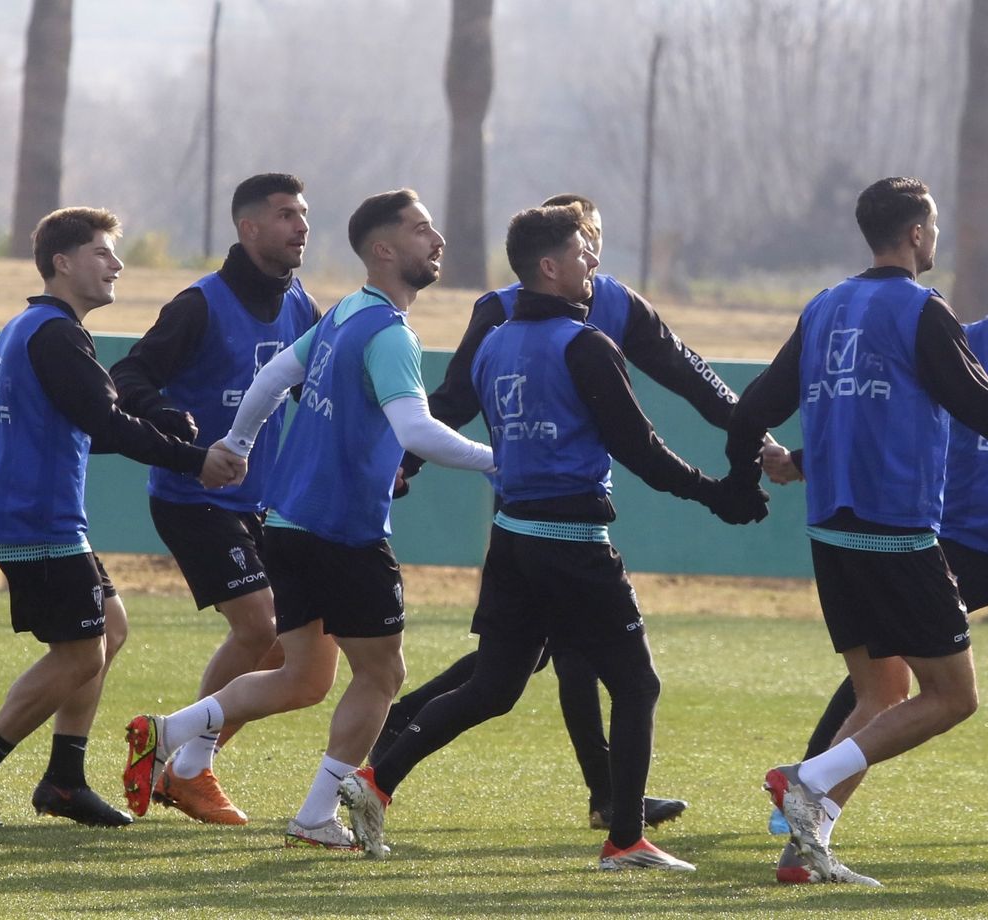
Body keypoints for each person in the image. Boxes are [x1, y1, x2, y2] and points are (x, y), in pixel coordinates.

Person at [725, 177, 988, 886]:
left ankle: (805, 848)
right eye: (935, 227)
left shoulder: (824, 306)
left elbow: (751, 408)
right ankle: (808, 778)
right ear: (917, 234)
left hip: (830, 534)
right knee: (954, 696)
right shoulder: (922, 310)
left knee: (878, 694)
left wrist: (743, 484)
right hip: (899, 535)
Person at [337, 203, 768, 870]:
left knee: (495, 686)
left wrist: (410, 463)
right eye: (582, 252)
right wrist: (719, 495)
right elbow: (642, 449)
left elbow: (456, 405)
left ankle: (376, 780)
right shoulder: (586, 345)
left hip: (512, 536)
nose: (594, 262)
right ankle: (624, 838)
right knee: (636, 685)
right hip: (573, 540)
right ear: (549, 266)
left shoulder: (496, 339)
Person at [121, 189, 496, 851]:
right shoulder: (388, 332)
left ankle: (171, 732)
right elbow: (416, 427)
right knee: (382, 676)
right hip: (345, 535)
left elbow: (270, 378)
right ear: (383, 250)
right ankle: (315, 815)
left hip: (288, 527)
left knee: (303, 679)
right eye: (421, 231)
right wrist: (501, 462)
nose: (437, 242)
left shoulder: (346, 312)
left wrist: (237, 443)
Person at [0, 207, 244, 829]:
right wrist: (191, 460)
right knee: (79, 654)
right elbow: (104, 422)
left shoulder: (35, 327)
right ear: (63, 262)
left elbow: (85, 421)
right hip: (35, 516)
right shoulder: (54, 333)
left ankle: (64, 781)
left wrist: (156, 424)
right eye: (103, 253)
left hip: (37, 513)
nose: (117, 265)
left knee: (111, 629)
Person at [109, 173, 320, 826]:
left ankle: (185, 768)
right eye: (286, 215)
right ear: (248, 228)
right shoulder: (199, 304)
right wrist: (172, 418)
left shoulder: (301, 307)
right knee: (259, 627)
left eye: (305, 214)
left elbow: (319, 392)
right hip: (191, 497)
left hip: (263, 503)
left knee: (288, 654)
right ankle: (187, 767)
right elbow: (127, 377)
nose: (301, 226)